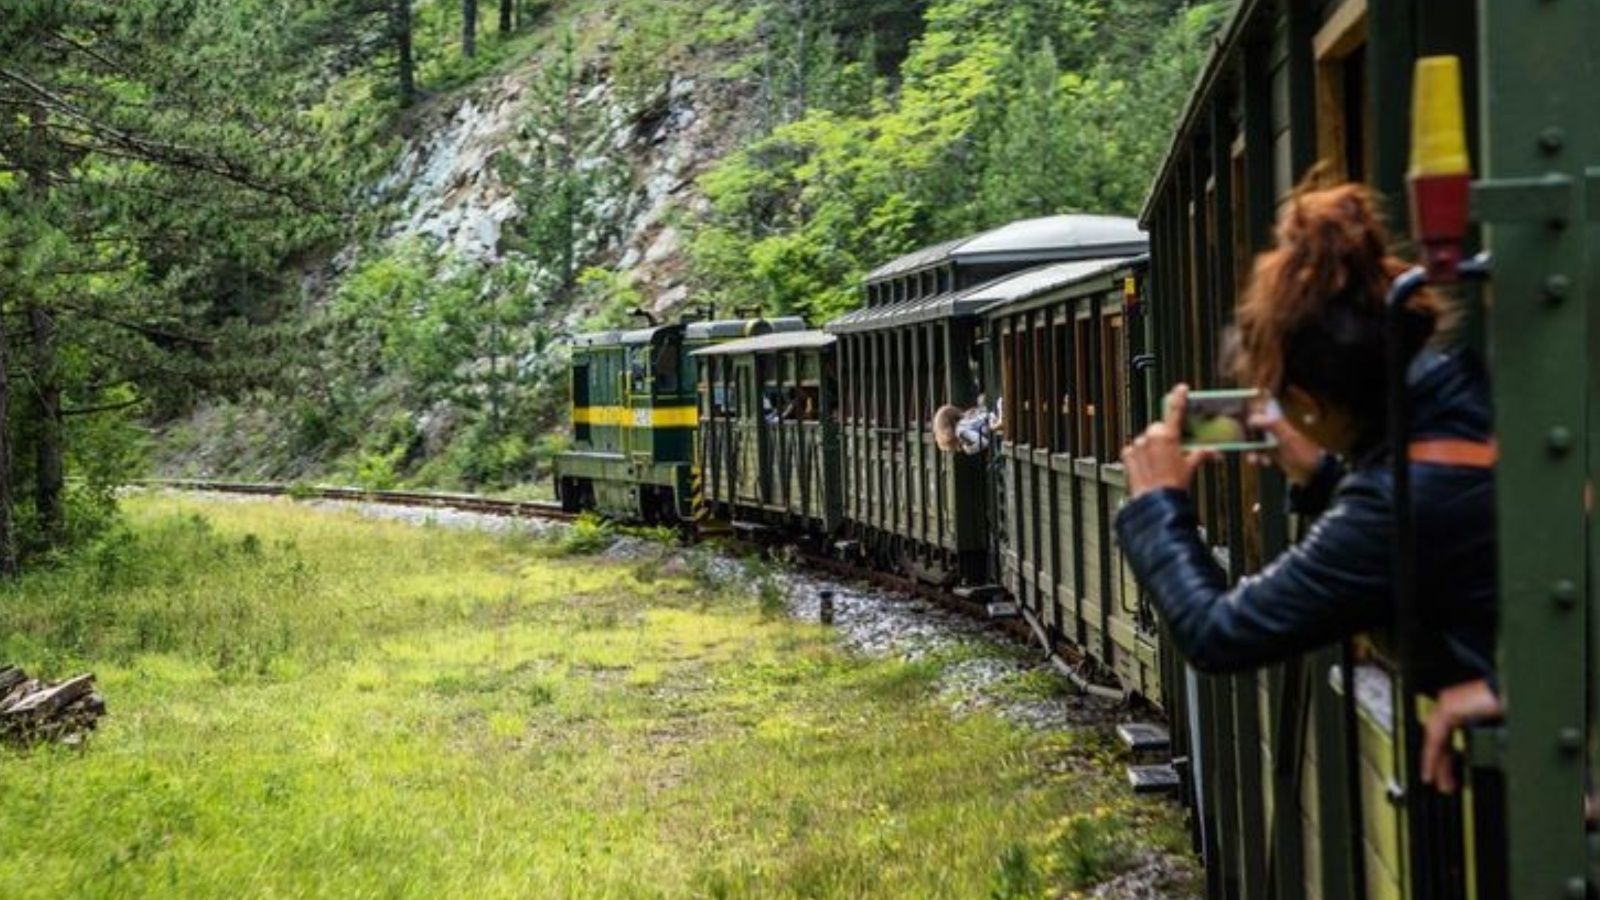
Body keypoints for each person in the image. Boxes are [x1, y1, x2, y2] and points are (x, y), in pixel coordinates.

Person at [1115, 183, 1498, 794]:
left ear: (1311, 402)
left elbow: (1219, 632)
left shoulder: (1399, 500)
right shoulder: (1469, 401)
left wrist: (1158, 507)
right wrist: (1321, 477)